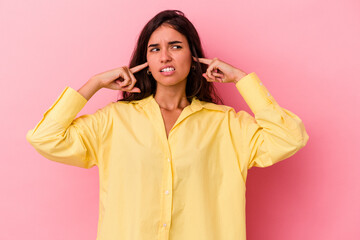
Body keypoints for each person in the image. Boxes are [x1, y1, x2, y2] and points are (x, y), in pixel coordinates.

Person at [26, 9, 309, 240]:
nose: (165, 57)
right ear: (146, 60)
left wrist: (242, 79)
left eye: (176, 46)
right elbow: (46, 138)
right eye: (154, 49)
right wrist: (94, 84)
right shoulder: (114, 120)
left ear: (193, 56)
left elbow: (289, 138)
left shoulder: (227, 125)